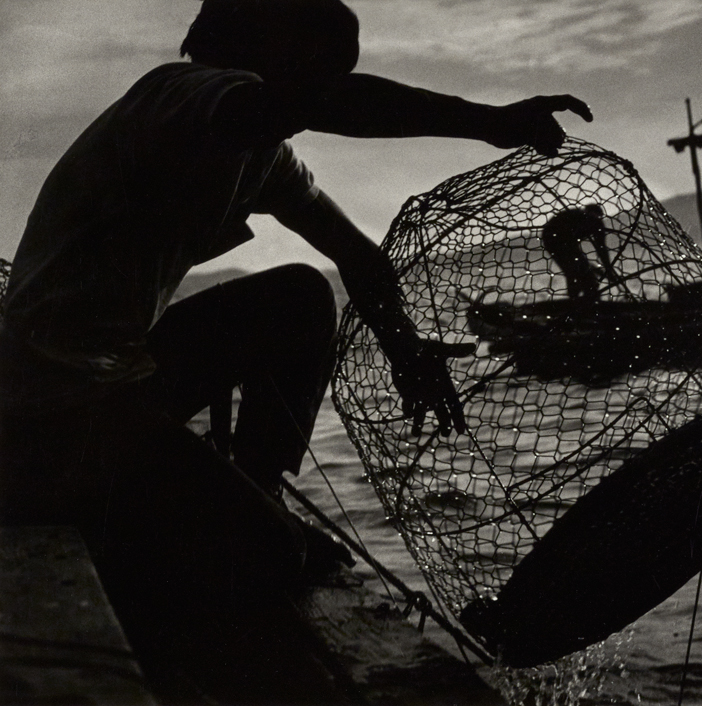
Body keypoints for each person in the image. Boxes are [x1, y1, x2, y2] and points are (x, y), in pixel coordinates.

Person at [0, 0, 591, 698]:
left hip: (121, 381)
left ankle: (255, 484)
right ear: (260, 50)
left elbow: (359, 260)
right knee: (270, 556)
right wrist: (487, 121)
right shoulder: (183, 95)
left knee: (303, 294)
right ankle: (175, 524)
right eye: (319, 71)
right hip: (40, 407)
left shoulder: (264, 157)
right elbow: (318, 103)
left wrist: (408, 350)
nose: (327, 88)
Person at [540, 204, 620, 300]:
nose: (590, 221)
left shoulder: (597, 224)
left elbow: (601, 248)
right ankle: (577, 300)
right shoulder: (574, 215)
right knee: (574, 271)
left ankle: (586, 298)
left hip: (568, 244)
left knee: (582, 271)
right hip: (553, 240)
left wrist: (608, 269)